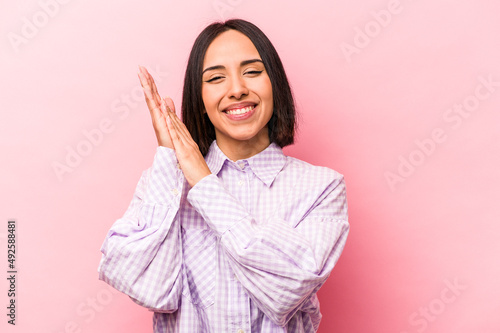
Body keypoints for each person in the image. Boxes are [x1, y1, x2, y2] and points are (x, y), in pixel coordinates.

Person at [98, 19, 349, 333]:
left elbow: (287, 289)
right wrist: (168, 161)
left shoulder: (322, 188)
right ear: (200, 100)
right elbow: (147, 286)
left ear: (275, 86)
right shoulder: (165, 185)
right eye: (216, 78)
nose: (237, 89)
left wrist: (204, 184)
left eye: (253, 72)